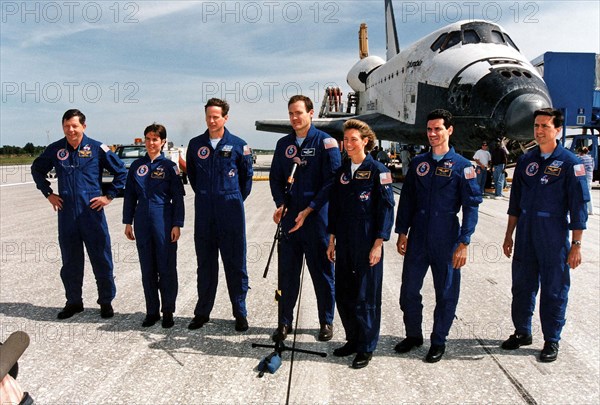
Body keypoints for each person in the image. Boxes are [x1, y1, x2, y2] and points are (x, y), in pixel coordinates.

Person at [501, 108, 590, 362]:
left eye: (545, 127)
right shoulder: (526, 161)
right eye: (536, 126)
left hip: (553, 233)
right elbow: (515, 203)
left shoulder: (571, 163)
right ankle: (522, 332)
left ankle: (552, 339)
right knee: (522, 286)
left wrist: (576, 245)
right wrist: (509, 235)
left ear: (558, 130)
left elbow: (578, 207)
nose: (539, 131)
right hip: (526, 232)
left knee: (554, 289)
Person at [394, 109, 482, 363]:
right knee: (409, 290)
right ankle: (413, 335)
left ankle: (438, 340)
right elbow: (407, 200)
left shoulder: (463, 167)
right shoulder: (419, 164)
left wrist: (464, 241)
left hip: (447, 236)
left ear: (449, 130)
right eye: (429, 129)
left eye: (438, 129)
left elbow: (471, 206)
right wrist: (402, 232)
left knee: (445, 292)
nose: (432, 134)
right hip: (418, 236)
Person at [31, 109, 126, 319]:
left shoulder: (97, 148)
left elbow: (121, 171)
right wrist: (48, 193)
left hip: (91, 213)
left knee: (101, 258)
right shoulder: (56, 149)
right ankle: (74, 302)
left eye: (74, 126)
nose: (70, 130)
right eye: (66, 126)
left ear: (84, 126)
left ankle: (106, 302)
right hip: (67, 215)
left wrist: (108, 196)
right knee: (70, 262)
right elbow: (36, 169)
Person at [269, 95, 341, 342]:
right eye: (290, 113)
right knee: (287, 275)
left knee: (322, 274)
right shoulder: (283, 145)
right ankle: (284, 323)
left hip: (316, 219)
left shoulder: (326, 142)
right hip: (290, 222)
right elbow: (275, 179)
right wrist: (281, 204)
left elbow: (332, 181)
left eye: (299, 112)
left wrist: (309, 209)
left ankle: (326, 321)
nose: (294, 118)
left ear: (311, 113)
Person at [326, 119, 395, 369]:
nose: (349, 144)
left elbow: (387, 209)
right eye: (346, 140)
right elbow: (334, 208)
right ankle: (352, 339)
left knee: (367, 296)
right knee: (344, 293)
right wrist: (331, 239)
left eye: (354, 139)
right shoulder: (342, 172)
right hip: (344, 240)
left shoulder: (379, 170)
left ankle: (366, 347)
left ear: (366, 141)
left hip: (367, 240)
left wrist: (378, 243)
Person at [186, 98, 253, 332]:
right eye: (208, 116)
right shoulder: (195, 145)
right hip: (205, 212)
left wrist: (229, 198)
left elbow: (246, 180)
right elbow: (193, 177)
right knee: (205, 264)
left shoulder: (239, 145)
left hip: (231, 211)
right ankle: (202, 312)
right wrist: (208, 195)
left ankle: (240, 312)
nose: (212, 120)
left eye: (216, 116)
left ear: (226, 117)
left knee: (235, 264)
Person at [123, 124, 185, 328]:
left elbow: (178, 198)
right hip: (142, 220)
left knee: (166, 267)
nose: (151, 143)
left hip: (163, 219)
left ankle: (168, 311)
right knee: (147, 268)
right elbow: (130, 196)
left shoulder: (169, 167)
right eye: (148, 139)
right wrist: (127, 222)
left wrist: (177, 224)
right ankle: (152, 311)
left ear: (163, 142)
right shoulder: (136, 167)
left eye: (155, 139)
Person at [578, 146, 595, 215]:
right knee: (588, 192)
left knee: (582, 193)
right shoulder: (591, 158)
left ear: (580, 152)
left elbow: (579, 168)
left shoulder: (580, 158)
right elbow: (592, 168)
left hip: (583, 177)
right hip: (590, 177)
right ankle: (590, 210)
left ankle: (586, 210)